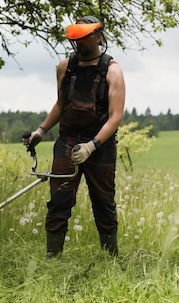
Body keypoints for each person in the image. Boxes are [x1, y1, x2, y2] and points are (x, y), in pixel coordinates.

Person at [24, 15, 125, 258]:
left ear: (98, 36)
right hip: (68, 141)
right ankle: (52, 258)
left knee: (103, 202)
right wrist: (41, 131)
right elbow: (61, 104)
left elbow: (115, 117)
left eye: (84, 39)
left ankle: (111, 258)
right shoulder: (65, 68)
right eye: (75, 40)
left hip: (100, 145)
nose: (79, 44)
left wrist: (92, 145)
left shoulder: (113, 71)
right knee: (59, 200)